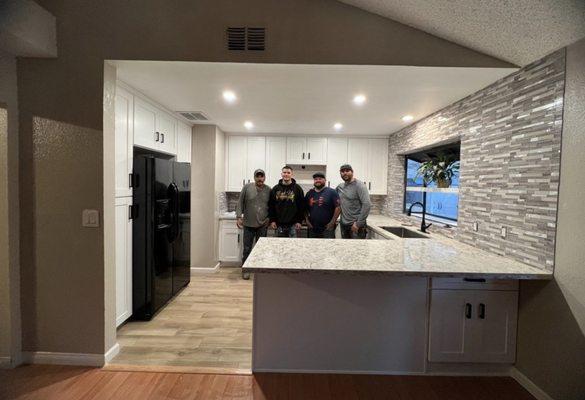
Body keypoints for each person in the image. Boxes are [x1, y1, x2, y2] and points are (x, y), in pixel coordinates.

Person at [236, 169, 271, 279]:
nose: (260, 178)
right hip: (248, 224)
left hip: (263, 224)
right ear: (254, 177)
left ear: (264, 178)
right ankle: (246, 270)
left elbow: (272, 206)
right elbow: (240, 202)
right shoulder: (247, 187)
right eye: (257, 176)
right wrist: (238, 217)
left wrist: (269, 218)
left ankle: (260, 270)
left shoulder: (269, 190)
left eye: (262, 176)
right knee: (247, 248)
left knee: (261, 249)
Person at [268, 165, 305, 237]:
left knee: (292, 246)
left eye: (288, 173)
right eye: (284, 172)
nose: (286, 174)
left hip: (293, 225)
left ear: (292, 174)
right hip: (279, 225)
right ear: (281, 174)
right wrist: (272, 220)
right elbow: (271, 206)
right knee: (279, 246)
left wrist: (299, 221)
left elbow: (301, 206)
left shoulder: (297, 188)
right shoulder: (275, 189)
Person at [336, 164, 371, 239]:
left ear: (352, 172)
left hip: (355, 225)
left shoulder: (360, 186)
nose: (345, 173)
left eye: (347, 171)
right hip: (343, 224)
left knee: (357, 249)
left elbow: (367, 205)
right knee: (346, 248)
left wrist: (358, 224)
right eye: (342, 171)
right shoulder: (340, 187)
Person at [305, 172, 341, 238]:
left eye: (320, 179)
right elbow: (305, 208)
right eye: (316, 179)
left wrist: (332, 222)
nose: (318, 180)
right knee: (311, 247)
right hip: (312, 228)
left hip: (327, 228)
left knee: (328, 247)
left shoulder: (332, 192)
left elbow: (338, 207)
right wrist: (307, 221)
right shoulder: (309, 193)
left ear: (325, 180)